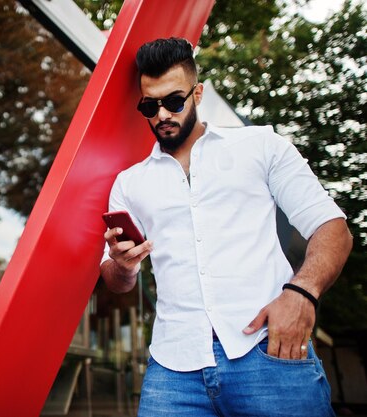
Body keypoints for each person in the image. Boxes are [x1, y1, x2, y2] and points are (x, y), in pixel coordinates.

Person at [100, 37, 353, 416]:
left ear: (197, 93)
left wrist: (302, 293)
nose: (162, 115)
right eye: (150, 106)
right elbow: (117, 281)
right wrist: (124, 264)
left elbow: (333, 228)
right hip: (173, 369)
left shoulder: (260, 146)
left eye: (173, 101)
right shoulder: (128, 184)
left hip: (269, 353)